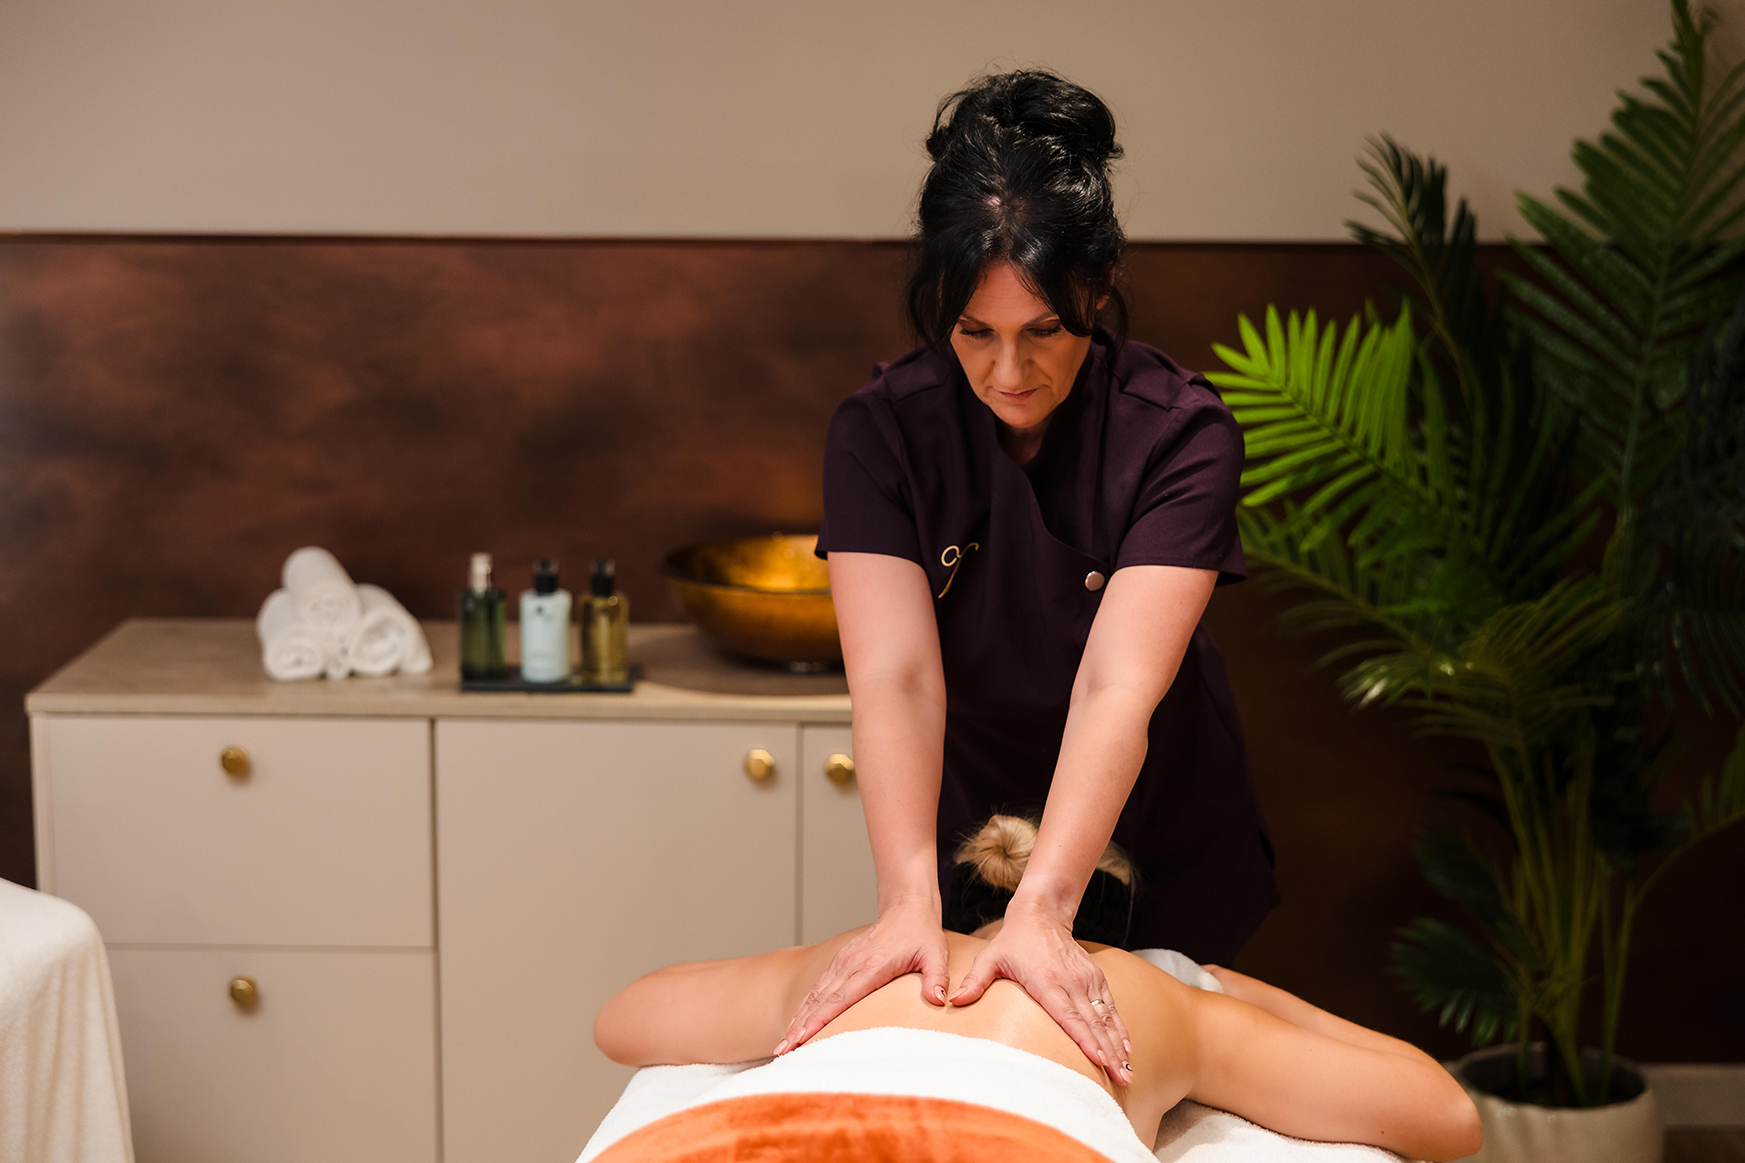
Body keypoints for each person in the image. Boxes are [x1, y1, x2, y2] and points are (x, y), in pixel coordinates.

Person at [787, 68, 1277, 1086]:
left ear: (1095, 290)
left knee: (1165, 1073)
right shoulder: (881, 433)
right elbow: (896, 680)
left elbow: (1116, 685)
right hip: (966, 813)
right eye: (975, 332)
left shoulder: (1178, 435)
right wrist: (905, 902)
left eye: (1042, 330)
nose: (1008, 372)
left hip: (1152, 807)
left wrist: (1047, 906)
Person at [592, 818, 1482, 1163]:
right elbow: (1444, 1114)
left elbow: (622, 1020)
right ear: (1111, 930)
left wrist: (797, 963)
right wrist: (1230, 989)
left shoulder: (864, 960)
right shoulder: (1141, 990)